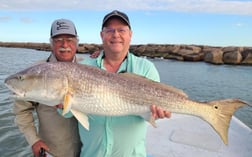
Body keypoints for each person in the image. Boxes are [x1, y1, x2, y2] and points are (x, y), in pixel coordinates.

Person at [60, 10, 171, 157]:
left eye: (121, 30)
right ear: (102, 35)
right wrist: (62, 103)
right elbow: (68, 114)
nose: (115, 35)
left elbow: (152, 110)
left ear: (130, 34)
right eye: (110, 30)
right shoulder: (82, 67)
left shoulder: (146, 68)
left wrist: (158, 112)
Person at [13, 19, 81, 157]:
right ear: (51, 43)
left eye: (70, 39)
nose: (65, 45)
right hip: (53, 151)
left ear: (77, 42)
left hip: (88, 151)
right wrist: (34, 141)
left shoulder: (90, 66)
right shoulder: (33, 73)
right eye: (58, 40)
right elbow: (21, 111)